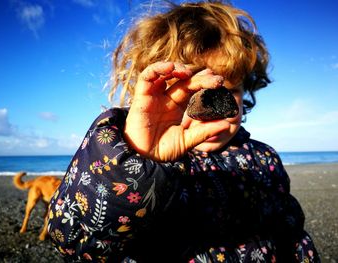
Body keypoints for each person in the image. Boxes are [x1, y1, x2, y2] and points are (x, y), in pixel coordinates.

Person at [47, 1, 321, 262]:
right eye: (192, 91)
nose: (214, 108)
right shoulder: (141, 157)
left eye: (229, 90)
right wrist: (138, 161)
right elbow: (74, 241)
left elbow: (291, 230)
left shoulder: (264, 158)